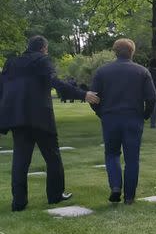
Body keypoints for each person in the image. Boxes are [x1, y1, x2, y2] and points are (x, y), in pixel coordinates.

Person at [0, 35, 99, 211]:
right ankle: (55, 195)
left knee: (20, 160)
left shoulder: (11, 63)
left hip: (17, 117)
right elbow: (56, 83)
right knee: (52, 157)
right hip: (40, 116)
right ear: (43, 48)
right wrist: (82, 94)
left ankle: (19, 202)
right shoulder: (43, 61)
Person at [91, 38, 156, 205]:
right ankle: (129, 196)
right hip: (133, 117)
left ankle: (115, 186)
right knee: (132, 159)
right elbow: (152, 98)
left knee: (111, 154)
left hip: (110, 117)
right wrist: (145, 115)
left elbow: (93, 98)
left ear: (115, 51)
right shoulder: (142, 72)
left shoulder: (102, 71)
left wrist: (102, 113)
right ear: (132, 52)